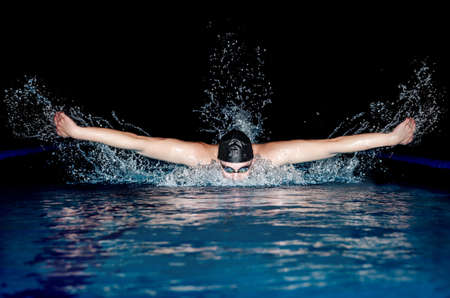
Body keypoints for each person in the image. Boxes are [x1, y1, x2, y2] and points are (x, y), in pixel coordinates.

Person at [54, 112, 416, 180]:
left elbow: (335, 146)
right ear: (217, 159)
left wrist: (393, 138)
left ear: (254, 158)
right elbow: (136, 143)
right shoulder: (196, 157)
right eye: (229, 170)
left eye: (244, 170)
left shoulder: (274, 157)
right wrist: (78, 132)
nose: (237, 179)